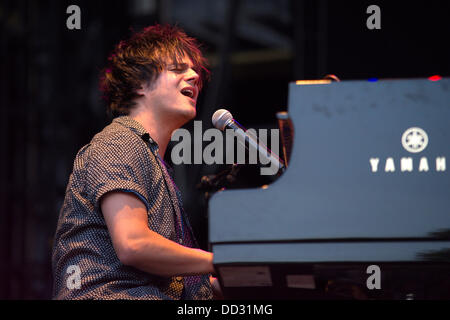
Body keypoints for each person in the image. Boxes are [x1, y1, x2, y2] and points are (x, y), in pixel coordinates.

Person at [52, 24, 221, 300]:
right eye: (178, 69)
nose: (193, 77)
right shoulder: (120, 141)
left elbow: (176, 281)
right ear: (140, 84)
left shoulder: (151, 159)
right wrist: (220, 260)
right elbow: (133, 244)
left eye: (195, 72)